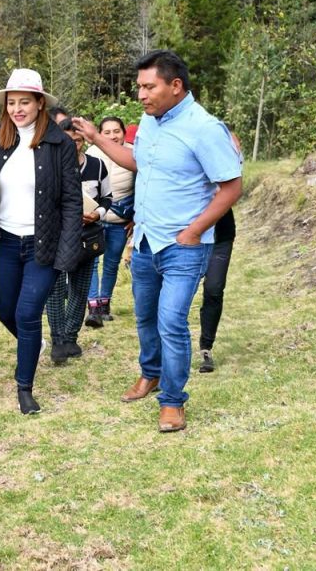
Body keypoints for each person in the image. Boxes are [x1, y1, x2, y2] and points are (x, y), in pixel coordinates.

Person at [74, 50, 242, 433]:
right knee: (146, 317)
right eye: (139, 87)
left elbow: (232, 187)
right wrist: (97, 137)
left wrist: (194, 231)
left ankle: (172, 400)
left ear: (175, 85)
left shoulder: (205, 128)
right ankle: (150, 373)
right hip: (146, 241)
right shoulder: (150, 122)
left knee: (171, 321)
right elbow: (138, 163)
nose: (140, 95)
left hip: (183, 246)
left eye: (149, 87)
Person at [0, 68, 82, 414]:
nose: (17, 109)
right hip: (7, 241)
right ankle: (33, 343)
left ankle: (24, 387)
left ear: (40, 103)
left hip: (44, 243)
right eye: (11, 103)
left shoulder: (59, 143)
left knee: (27, 313)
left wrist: (67, 252)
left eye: (25, 102)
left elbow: (72, 200)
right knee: (5, 311)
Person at [44, 116, 111, 364]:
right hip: (57, 235)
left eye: (78, 140)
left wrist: (97, 214)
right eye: (68, 140)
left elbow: (107, 197)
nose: (74, 145)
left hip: (87, 235)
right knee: (55, 288)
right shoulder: (48, 165)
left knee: (80, 288)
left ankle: (71, 336)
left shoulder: (97, 166)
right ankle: (58, 339)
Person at [85, 116, 135, 327]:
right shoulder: (91, 153)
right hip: (94, 218)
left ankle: (105, 303)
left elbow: (143, 186)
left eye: (117, 131)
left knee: (112, 263)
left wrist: (136, 218)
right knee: (92, 262)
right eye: (107, 132)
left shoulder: (134, 154)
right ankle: (93, 306)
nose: (113, 136)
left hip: (120, 220)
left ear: (123, 133)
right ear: (100, 134)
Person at [198, 209, 234, 372]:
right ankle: (170, 350)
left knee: (214, 289)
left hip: (220, 237)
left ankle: (206, 348)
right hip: (186, 237)